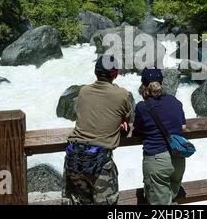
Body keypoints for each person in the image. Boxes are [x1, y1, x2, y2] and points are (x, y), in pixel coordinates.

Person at [62, 55, 134, 205]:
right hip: (99, 163)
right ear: (115, 74)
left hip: (74, 159)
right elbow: (128, 121)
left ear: (96, 72)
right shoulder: (122, 95)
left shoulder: (83, 91)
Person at [132, 68, 187, 205]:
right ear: (161, 83)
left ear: (143, 86)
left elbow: (138, 129)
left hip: (157, 160)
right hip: (178, 157)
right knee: (171, 198)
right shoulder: (175, 101)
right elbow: (183, 127)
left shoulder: (142, 107)